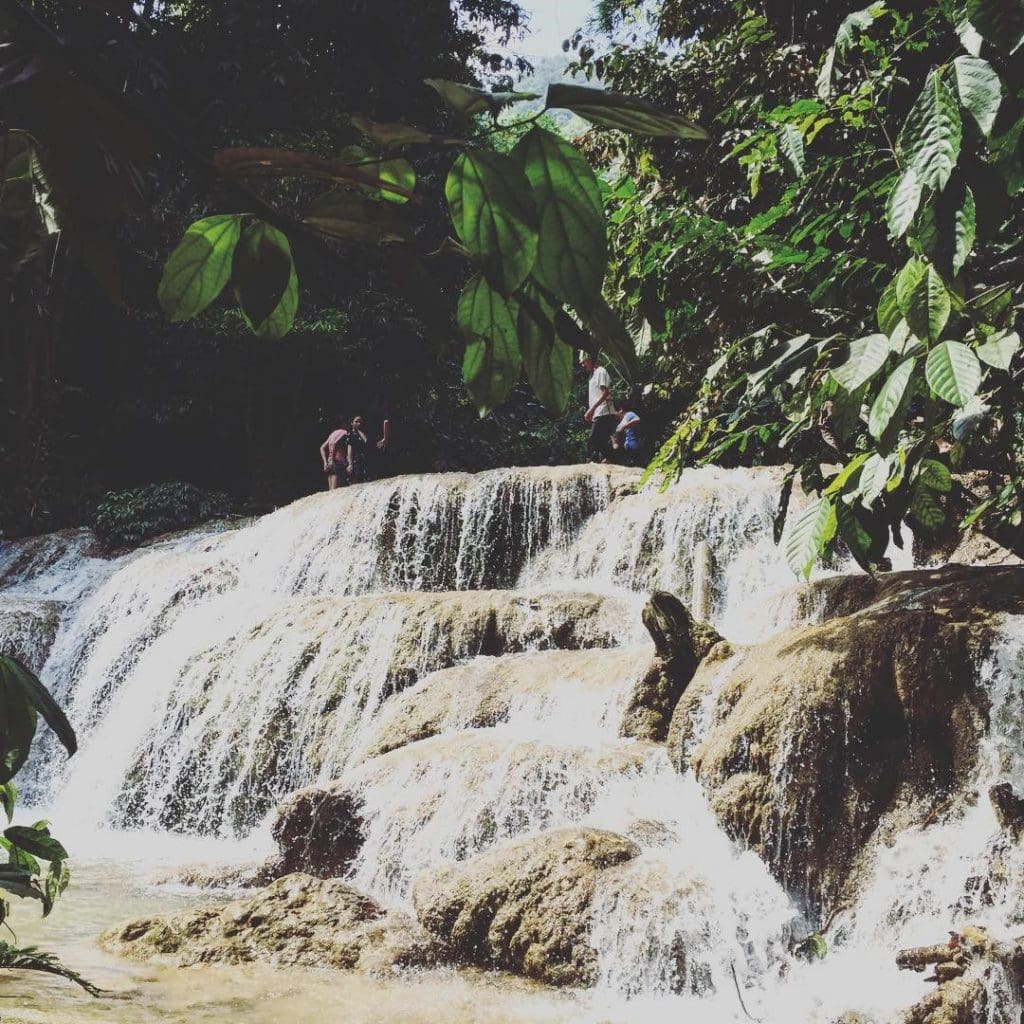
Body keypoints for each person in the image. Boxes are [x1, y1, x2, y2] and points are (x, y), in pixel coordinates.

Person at [581, 354, 616, 462]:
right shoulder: (593, 375)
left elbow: (605, 392)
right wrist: (592, 411)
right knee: (601, 441)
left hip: (604, 411)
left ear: (590, 360)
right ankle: (610, 460)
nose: (582, 365)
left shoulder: (601, 371)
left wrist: (592, 410)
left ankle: (594, 460)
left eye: (584, 362)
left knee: (593, 440)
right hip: (599, 412)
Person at [344, 415, 389, 484]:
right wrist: (350, 464)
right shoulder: (350, 435)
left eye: (360, 422)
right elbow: (349, 452)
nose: (358, 424)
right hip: (356, 463)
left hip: (366, 461)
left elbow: (371, 446)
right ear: (352, 423)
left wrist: (381, 442)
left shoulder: (365, 434)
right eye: (356, 421)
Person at [320, 416, 350, 490]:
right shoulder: (345, 433)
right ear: (344, 423)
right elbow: (336, 444)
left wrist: (325, 462)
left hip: (330, 463)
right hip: (338, 463)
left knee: (331, 491)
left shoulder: (332, 434)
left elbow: (322, 447)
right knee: (336, 492)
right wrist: (333, 460)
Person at [611, 399, 643, 466]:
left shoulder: (629, 414)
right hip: (628, 447)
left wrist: (624, 427)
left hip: (634, 445)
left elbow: (637, 419)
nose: (616, 414)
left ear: (620, 409)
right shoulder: (622, 420)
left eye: (616, 412)